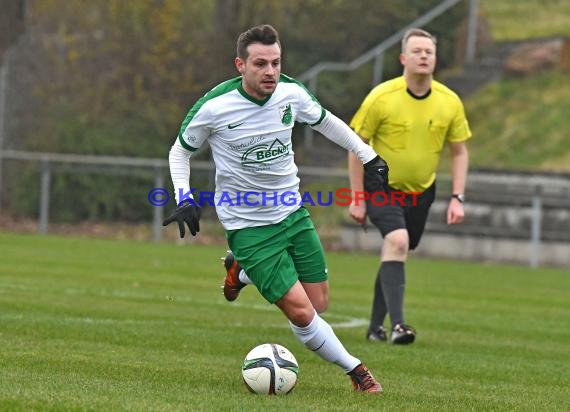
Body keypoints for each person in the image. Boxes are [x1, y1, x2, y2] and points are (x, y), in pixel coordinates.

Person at [163, 24, 389, 393]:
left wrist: (369, 156)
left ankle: (241, 272)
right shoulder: (214, 107)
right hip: (248, 227)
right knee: (302, 312)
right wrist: (184, 196)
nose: (270, 71)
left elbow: (327, 122)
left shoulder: (290, 93)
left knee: (319, 304)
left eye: (276, 62)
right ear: (240, 65)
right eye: (260, 63)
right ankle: (357, 372)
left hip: (292, 213)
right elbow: (180, 150)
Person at [348, 28, 472, 345]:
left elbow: (459, 151)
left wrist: (457, 197)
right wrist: (358, 198)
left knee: (397, 249)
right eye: (416, 51)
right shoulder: (381, 97)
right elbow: (355, 146)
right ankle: (399, 326)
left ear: (435, 59)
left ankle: (375, 328)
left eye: (428, 51)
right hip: (382, 186)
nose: (423, 56)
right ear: (403, 58)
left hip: (422, 191)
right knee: (399, 241)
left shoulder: (449, 101)